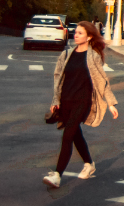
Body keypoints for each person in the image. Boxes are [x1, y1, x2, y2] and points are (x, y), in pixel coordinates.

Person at [44, 22, 118, 189]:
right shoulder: (66, 54)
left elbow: (102, 80)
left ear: (89, 37)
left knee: (67, 136)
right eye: (75, 32)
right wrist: (55, 100)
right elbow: (58, 78)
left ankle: (57, 175)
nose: (75, 35)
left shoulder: (93, 56)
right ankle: (89, 164)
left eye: (80, 33)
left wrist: (111, 103)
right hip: (66, 101)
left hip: (82, 102)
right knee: (75, 134)